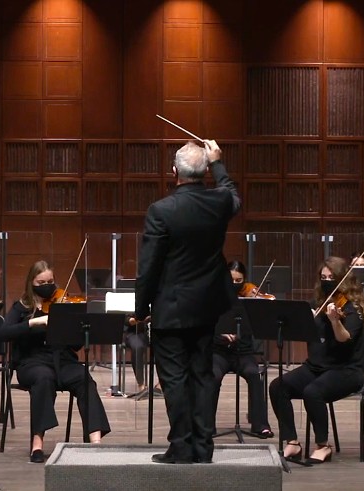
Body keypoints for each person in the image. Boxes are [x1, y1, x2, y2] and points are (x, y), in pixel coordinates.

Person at [132, 139, 240, 465]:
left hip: (171, 308)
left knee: (175, 379)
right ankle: (203, 448)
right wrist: (219, 161)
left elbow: (148, 266)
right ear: (205, 171)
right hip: (206, 307)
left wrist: (140, 309)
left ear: (174, 172)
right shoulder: (219, 202)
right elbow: (233, 195)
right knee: (202, 376)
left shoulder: (161, 210)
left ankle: (181, 446)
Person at [0, 260, 109, 463]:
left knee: (85, 379)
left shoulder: (63, 304)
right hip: (32, 363)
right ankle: (37, 443)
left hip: (63, 361)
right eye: (42, 282)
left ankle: (95, 442)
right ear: (32, 282)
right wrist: (33, 322)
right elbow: (2, 333)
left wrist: (77, 329)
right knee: (43, 378)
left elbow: (74, 347)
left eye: (51, 281)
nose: (48, 285)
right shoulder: (22, 307)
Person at [269, 256, 364, 465]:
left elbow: (344, 340)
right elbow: (306, 336)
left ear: (343, 279)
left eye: (332, 277)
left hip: (346, 370)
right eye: (323, 277)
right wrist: (304, 322)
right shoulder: (317, 304)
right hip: (316, 367)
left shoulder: (352, 309)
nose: (327, 281)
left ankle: (323, 446)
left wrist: (334, 321)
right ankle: (292, 442)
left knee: (313, 392)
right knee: (278, 386)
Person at [215, 261, 272, 439]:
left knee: (255, 375)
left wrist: (258, 306)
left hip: (244, 352)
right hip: (219, 351)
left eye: (239, 281)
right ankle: (206, 425)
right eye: (231, 280)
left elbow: (266, 315)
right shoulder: (213, 296)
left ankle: (260, 424)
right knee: (211, 375)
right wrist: (221, 334)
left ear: (244, 280)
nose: (235, 285)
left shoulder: (250, 296)